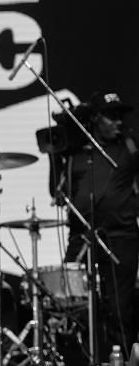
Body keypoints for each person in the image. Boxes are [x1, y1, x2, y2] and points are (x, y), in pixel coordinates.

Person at [61, 90, 138, 355]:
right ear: (94, 119)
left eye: (120, 116)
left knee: (120, 313)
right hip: (82, 241)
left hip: (121, 241)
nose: (118, 122)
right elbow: (59, 193)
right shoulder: (76, 153)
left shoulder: (129, 147)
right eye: (111, 116)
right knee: (78, 311)